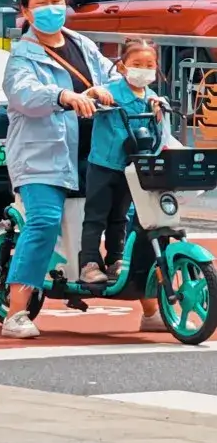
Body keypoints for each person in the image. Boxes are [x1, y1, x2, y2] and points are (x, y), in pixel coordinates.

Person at [1, 0, 115, 341]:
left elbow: (115, 78)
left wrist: (142, 93)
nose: (52, 9)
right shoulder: (22, 55)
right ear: (25, 12)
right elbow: (23, 95)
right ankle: (16, 312)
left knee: (126, 217)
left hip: (95, 153)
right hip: (42, 158)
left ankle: (149, 306)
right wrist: (62, 97)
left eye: (56, 1)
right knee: (44, 223)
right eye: (42, 3)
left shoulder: (84, 44)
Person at [79, 36, 167, 330]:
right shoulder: (112, 91)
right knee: (97, 216)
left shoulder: (151, 97)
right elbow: (90, 95)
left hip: (134, 169)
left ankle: (116, 259)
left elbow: (160, 117)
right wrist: (96, 92)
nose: (143, 70)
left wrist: (159, 104)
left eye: (149, 65)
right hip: (105, 165)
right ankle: (89, 263)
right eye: (136, 64)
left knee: (122, 217)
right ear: (122, 66)